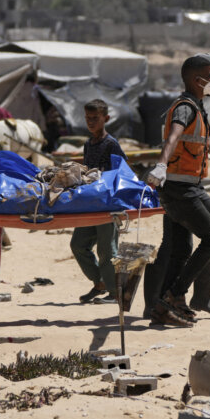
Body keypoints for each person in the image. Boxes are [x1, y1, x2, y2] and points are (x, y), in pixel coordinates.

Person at [143, 53, 210, 327]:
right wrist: (160, 165)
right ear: (197, 79)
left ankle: (175, 302)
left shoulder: (196, 107)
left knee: (184, 247)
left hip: (188, 186)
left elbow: (205, 141)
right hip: (180, 189)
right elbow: (173, 137)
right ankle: (173, 296)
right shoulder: (185, 108)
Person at [70, 99, 127, 305]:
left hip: (107, 204)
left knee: (107, 250)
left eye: (95, 118)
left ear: (106, 119)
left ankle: (115, 293)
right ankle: (100, 282)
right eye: (88, 118)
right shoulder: (88, 144)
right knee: (78, 245)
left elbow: (122, 170)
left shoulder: (111, 143)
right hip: (90, 203)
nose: (91, 122)